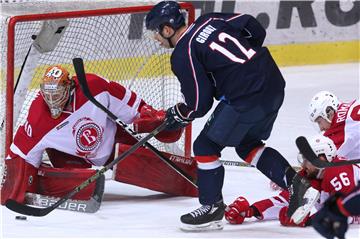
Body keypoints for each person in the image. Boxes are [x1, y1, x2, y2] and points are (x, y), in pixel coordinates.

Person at [145, 1, 318, 231]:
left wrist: (180, 113)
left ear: (167, 29)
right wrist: (244, 65)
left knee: (205, 146)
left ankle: (211, 207)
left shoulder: (182, 53)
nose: (156, 38)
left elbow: (199, 102)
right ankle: (298, 185)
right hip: (272, 81)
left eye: (157, 32)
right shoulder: (211, 19)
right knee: (247, 144)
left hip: (245, 95)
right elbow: (255, 27)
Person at [0, 64, 195, 209]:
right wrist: (15, 186)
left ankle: (192, 180)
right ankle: (64, 178)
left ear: (70, 87)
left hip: (113, 140)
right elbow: (21, 154)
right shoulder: (38, 117)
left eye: (57, 93)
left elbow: (134, 108)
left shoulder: (93, 87)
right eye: (47, 94)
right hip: (70, 156)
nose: (52, 100)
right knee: (70, 176)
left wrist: (152, 120)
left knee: (145, 164)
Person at [225, 135, 360, 232]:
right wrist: (252, 211)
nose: (303, 164)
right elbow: (285, 199)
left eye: (307, 159)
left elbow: (346, 211)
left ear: (322, 158)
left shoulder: (338, 172)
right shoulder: (312, 174)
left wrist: (307, 221)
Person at [308, 90, 360, 161]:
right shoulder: (352, 104)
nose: (321, 128)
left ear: (328, 112)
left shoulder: (341, 128)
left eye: (319, 122)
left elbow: (327, 159)